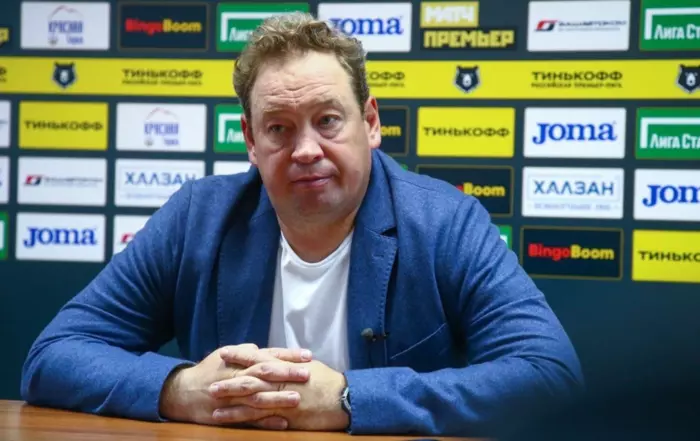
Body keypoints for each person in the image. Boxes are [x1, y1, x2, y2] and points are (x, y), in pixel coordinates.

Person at [20, 12, 584, 437]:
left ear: (370, 122)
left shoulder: (445, 222)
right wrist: (181, 389)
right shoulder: (198, 218)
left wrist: (348, 400)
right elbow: (55, 354)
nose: (306, 150)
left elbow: (550, 376)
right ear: (250, 139)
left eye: (328, 120)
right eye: (280, 128)